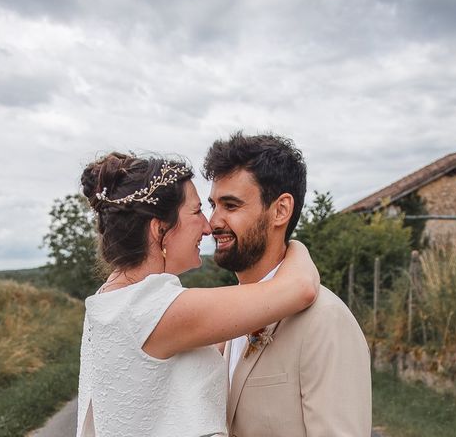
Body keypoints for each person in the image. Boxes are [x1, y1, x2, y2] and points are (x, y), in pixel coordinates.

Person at [76, 151, 320, 437]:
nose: (208, 226)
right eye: (196, 211)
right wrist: (293, 244)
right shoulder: (151, 308)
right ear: (160, 229)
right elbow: (301, 287)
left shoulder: (111, 299)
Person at [204, 133, 372, 437]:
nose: (212, 222)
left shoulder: (325, 320)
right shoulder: (231, 315)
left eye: (230, 205)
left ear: (280, 210)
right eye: (213, 205)